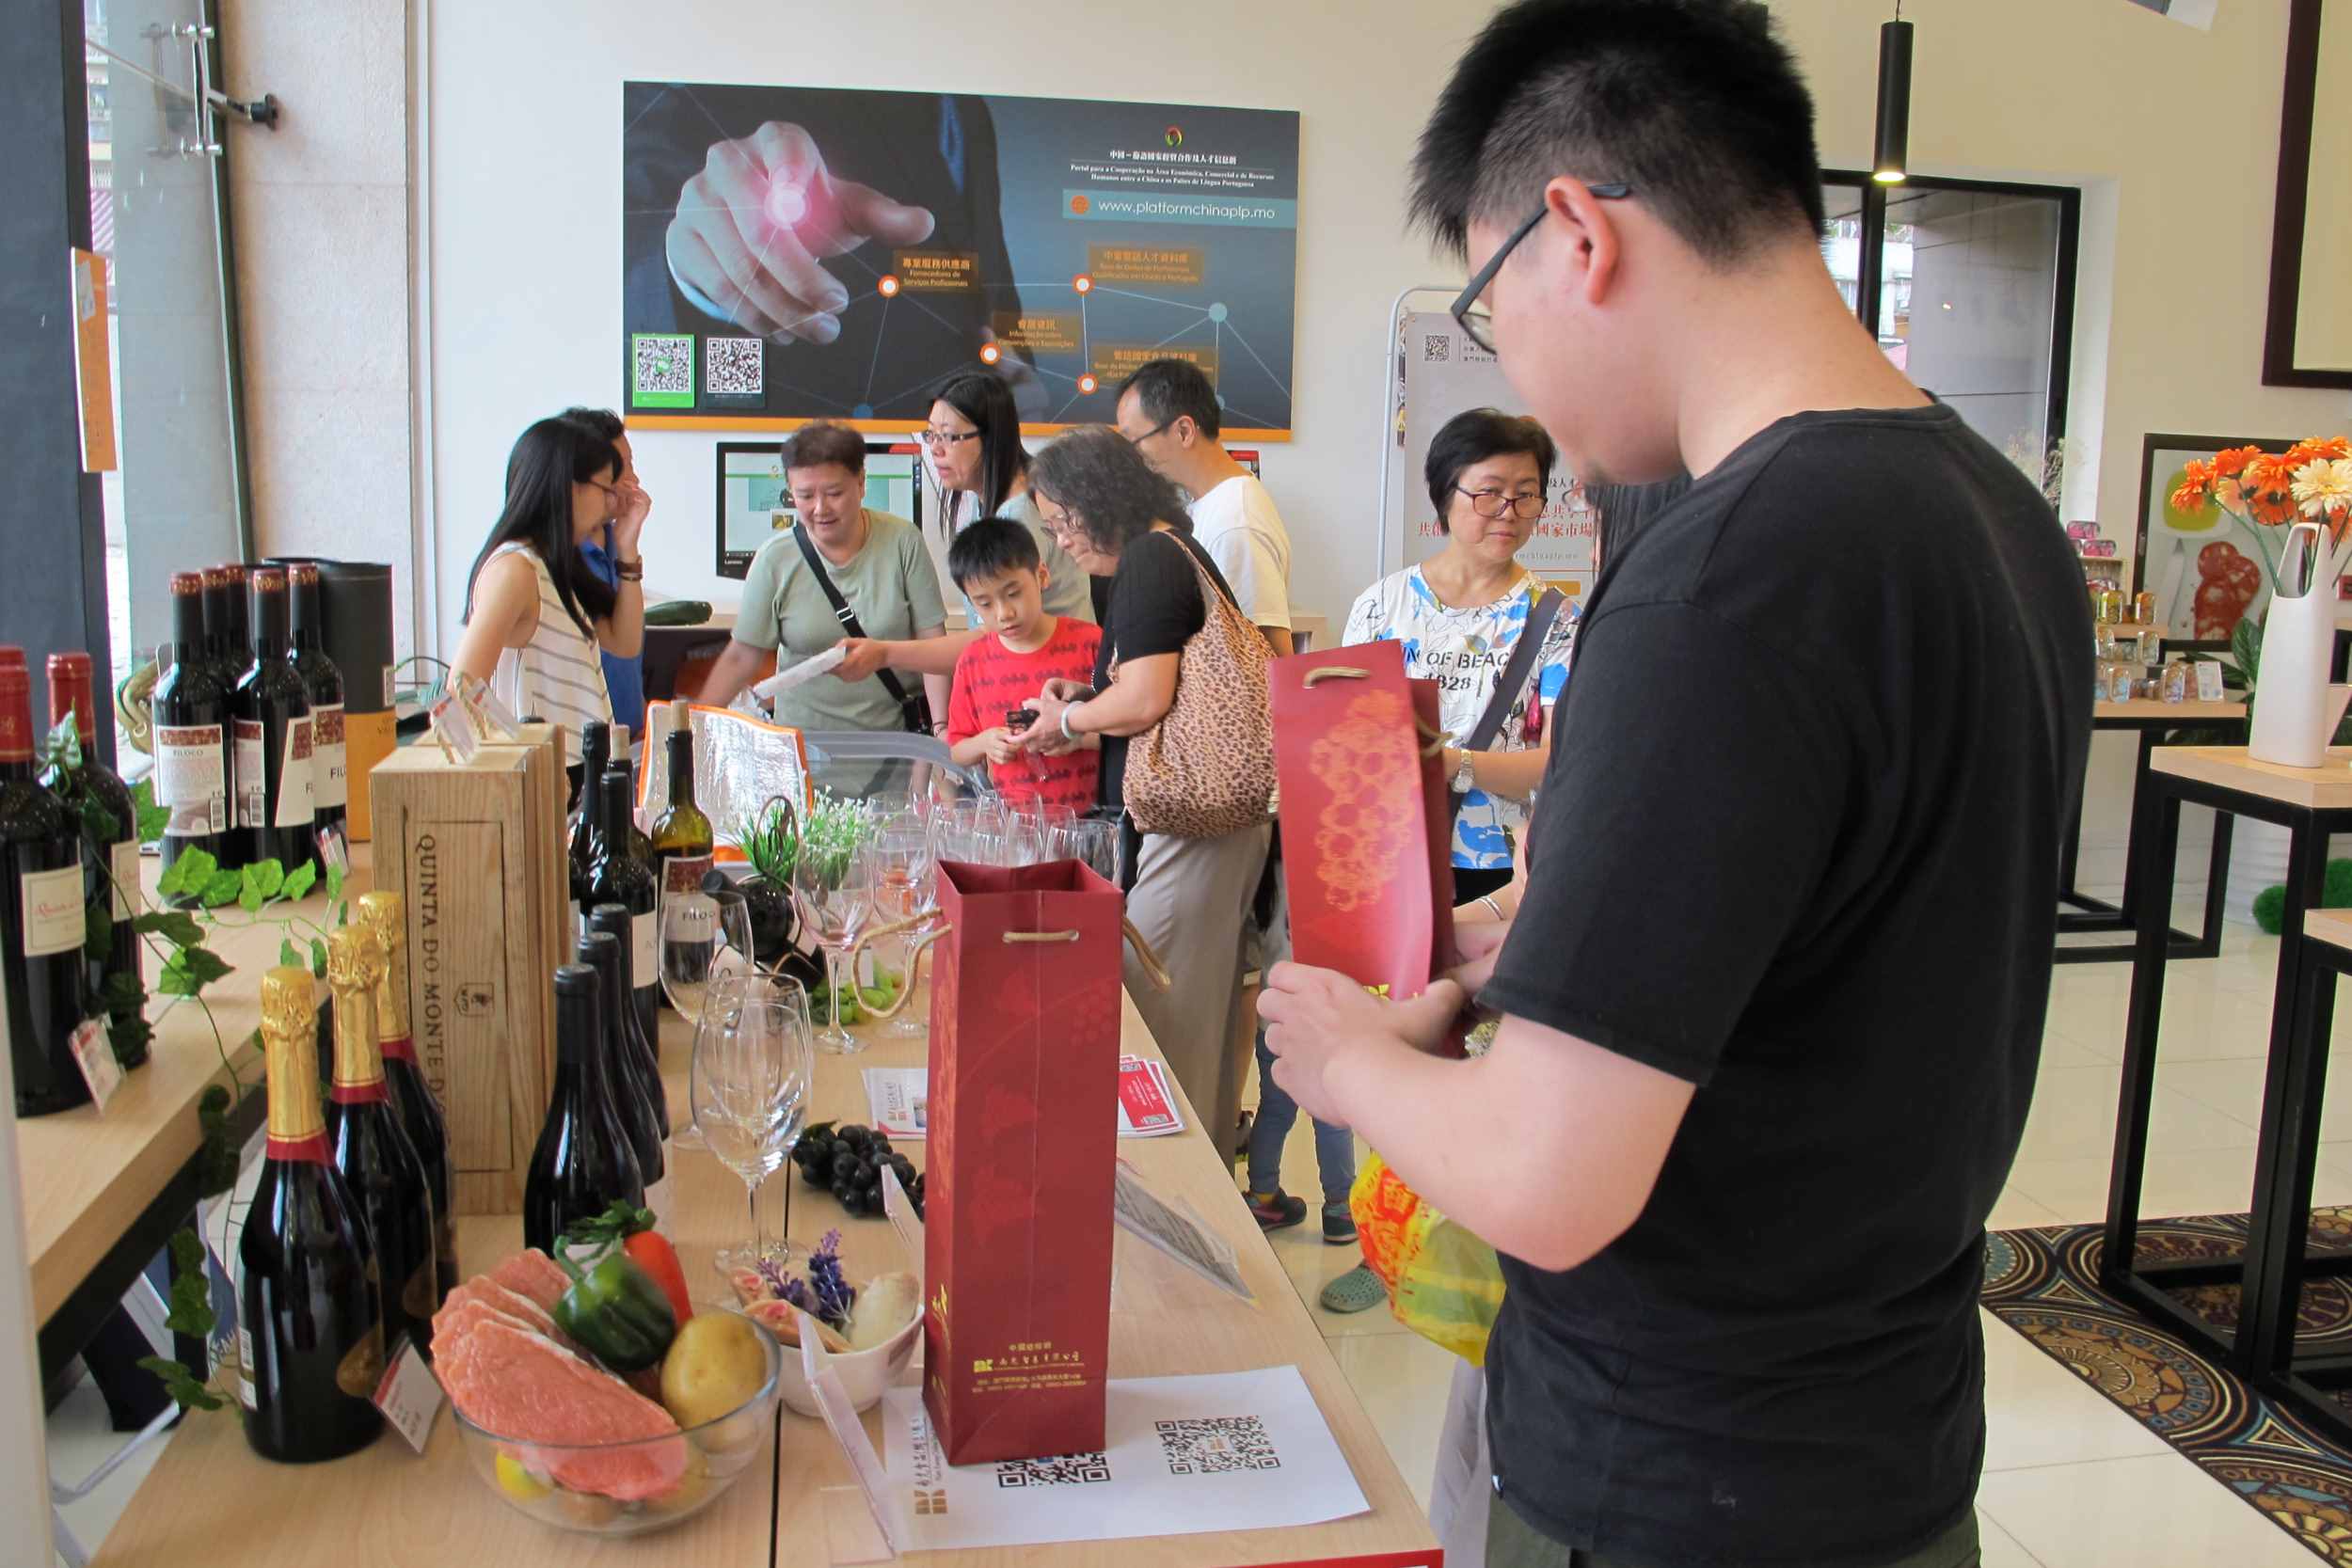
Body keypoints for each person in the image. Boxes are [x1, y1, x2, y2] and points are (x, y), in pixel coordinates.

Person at [1258, 5, 2091, 1568]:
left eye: (1489, 306)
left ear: (1577, 234)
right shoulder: (1993, 514)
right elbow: (1839, 943)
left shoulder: (1719, 579)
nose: (1512, 366)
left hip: (1682, 1470)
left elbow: (1548, 1179)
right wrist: (1547, 950)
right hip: (1889, 1437)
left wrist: (1347, 1059)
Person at [1016, 428, 1270, 1161]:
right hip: (1207, 826)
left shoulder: (1152, 560)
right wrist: (1086, 695)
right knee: (1198, 1028)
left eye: (1062, 522)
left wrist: (1066, 721)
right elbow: (1146, 687)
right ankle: (1203, 1192)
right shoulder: (1171, 552)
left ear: (1099, 500)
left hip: (1189, 830)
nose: (1062, 542)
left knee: (1164, 1026)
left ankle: (1175, 1196)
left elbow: (1146, 699)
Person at [621, 84, 1042, 416]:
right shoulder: (681, 95)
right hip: (815, 447)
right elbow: (639, 245)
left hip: (958, 461)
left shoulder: (966, 110)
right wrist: (693, 273)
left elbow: (989, 291)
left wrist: (1018, 398)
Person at [1343, 408, 1577, 904]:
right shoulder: (1382, 606)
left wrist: (1451, 763)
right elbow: (1347, 734)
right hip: (1390, 846)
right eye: (1489, 493)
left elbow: (1559, 760)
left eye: (1526, 494)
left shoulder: (1557, 619)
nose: (1509, 511)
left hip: (1503, 865)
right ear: (1446, 494)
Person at [831, 372, 1095, 694]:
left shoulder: (1018, 513)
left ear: (991, 437)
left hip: (1053, 688)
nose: (935, 450)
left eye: (950, 437)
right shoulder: (986, 498)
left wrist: (884, 654)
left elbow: (991, 636)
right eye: (931, 435)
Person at [696, 421, 950, 733]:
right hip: (804, 742)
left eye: (834, 493)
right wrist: (692, 728)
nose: (820, 509)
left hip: (896, 738)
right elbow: (741, 657)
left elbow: (933, 645)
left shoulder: (903, 541)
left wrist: (941, 729)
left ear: (861, 483)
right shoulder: (774, 559)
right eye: (805, 495)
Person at [450, 416, 646, 768]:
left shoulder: (553, 567)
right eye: (604, 487)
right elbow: (461, 691)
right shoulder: (515, 570)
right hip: (545, 781)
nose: (609, 502)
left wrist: (628, 548)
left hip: (575, 776)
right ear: (570, 488)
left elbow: (624, 642)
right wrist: (522, 762)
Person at [1113, 358, 1295, 656]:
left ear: (1184, 431)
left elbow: (1266, 655)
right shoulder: (1208, 504)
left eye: (1135, 441)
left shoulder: (1235, 522)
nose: (1133, 456)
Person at [941, 517, 1102, 813]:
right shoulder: (973, 661)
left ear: (1042, 576)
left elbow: (1127, 730)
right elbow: (957, 749)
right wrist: (985, 743)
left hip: (1092, 817)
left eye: (1013, 593)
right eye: (985, 603)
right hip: (1013, 821)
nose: (1004, 613)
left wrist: (1078, 736)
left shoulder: (1091, 643)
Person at [559, 407, 649, 745]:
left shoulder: (617, 544)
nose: (633, 480)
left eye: (631, 463)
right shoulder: (550, 561)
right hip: (581, 746)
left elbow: (625, 653)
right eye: (619, 468)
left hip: (628, 739)